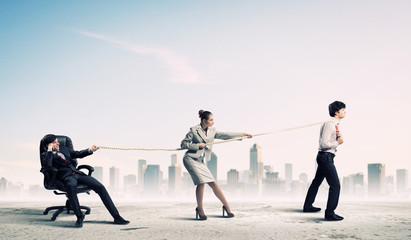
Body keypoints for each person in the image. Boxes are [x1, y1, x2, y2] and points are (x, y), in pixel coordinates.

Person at [41, 134, 130, 228]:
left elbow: (77, 154)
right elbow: (48, 166)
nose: (58, 143)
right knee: (71, 187)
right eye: (55, 142)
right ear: (49, 145)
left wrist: (90, 149)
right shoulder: (46, 155)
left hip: (77, 174)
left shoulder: (64, 149)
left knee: (100, 187)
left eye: (57, 141)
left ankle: (116, 217)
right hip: (66, 177)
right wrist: (50, 150)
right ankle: (79, 217)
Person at [181, 110, 252, 220]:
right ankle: (200, 210)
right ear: (204, 121)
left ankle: (227, 207)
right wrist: (197, 145)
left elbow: (225, 135)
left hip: (200, 160)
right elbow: (183, 144)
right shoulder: (194, 130)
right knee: (201, 183)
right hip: (190, 159)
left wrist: (242, 135)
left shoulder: (212, 131)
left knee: (213, 183)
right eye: (211, 120)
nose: (213, 122)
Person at [303, 101, 346, 221]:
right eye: (343, 110)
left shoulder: (333, 124)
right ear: (336, 112)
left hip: (326, 156)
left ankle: (307, 206)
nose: (345, 112)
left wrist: (337, 139)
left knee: (316, 181)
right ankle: (330, 213)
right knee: (335, 185)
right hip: (325, 157)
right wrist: (338, 142)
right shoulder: (330, 124)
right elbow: (324, 143)